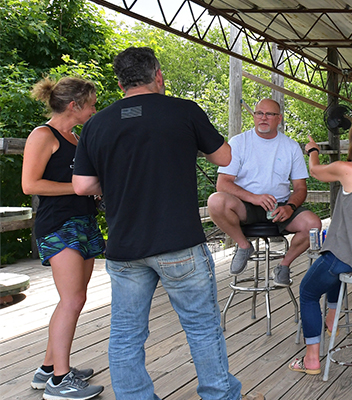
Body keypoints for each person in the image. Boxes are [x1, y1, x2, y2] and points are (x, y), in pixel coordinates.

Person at [72, 47, 262, 400]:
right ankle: (219, 395)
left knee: (126, 333)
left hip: (125, 248)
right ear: (158, 75)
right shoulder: (183, 110)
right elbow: (224, 156)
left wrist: (117, 180)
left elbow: (82, 185)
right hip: (179, 243)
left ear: (119, 83)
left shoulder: (97, 124)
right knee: (202, 328)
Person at [288, 116, 352, 375]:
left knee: (308, 291)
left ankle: (311, 358)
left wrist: (313, 151)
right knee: (334, 270)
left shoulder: (348, 169)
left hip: (350, 256)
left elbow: (315, 171)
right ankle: (332, 319)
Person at [22, 76, 105, 400]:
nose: (95, 108)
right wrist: (79, 188)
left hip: (82, 221)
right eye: (93, 103)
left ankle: (47, 369)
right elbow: (30, 185)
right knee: (71, 300)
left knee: (76, 298)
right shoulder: (44, 135)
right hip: (58, 225)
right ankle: (59, 381)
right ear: (75, 105)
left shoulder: (75, 137)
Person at [207, 98, 322, 285]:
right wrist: (253, 198)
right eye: (259, 113)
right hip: (245, 206)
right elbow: (223, 184)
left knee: (313, 224)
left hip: (280, 206)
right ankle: (243, 245)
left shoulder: (291, 146)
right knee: (215, 201)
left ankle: (283, 266)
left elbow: (301, 188)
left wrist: (291, 207)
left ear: (279, 118)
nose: (263, 118)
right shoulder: (238, 142)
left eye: (269, 114)